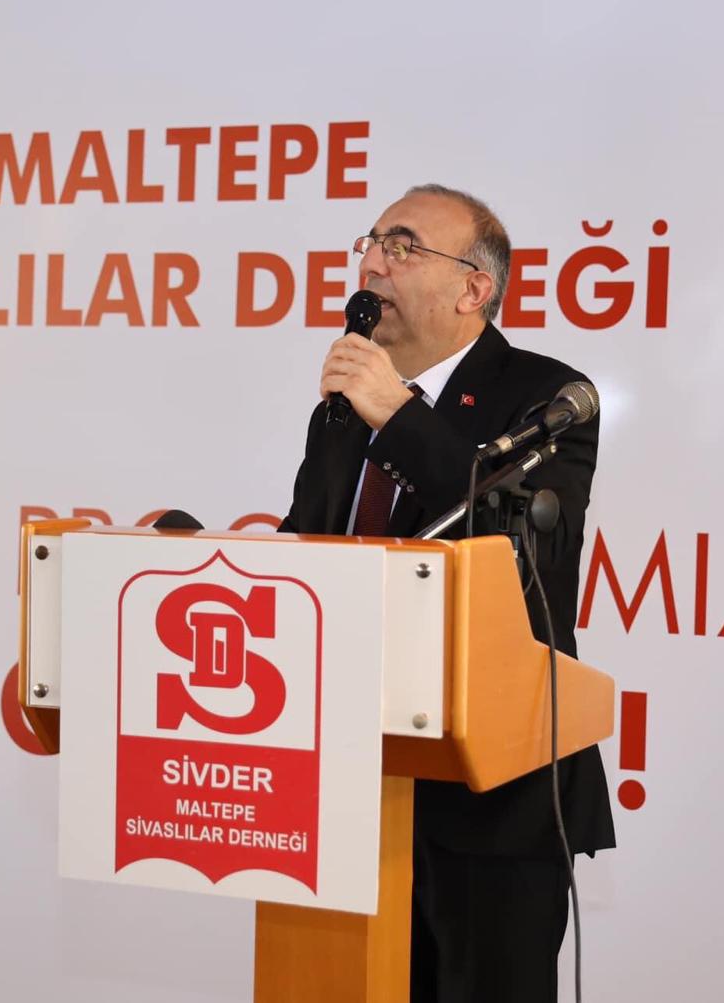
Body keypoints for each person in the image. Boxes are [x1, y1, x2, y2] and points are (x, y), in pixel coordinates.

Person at [276, 184, 616, 1002]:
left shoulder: (548, 398)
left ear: (474, 287)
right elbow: (308, 553)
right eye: (370, 242)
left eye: (401, 246)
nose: (371, 262)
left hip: (489, 808)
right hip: (349, 783)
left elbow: (515, 549)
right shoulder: (343, 412)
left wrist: (396, 416)